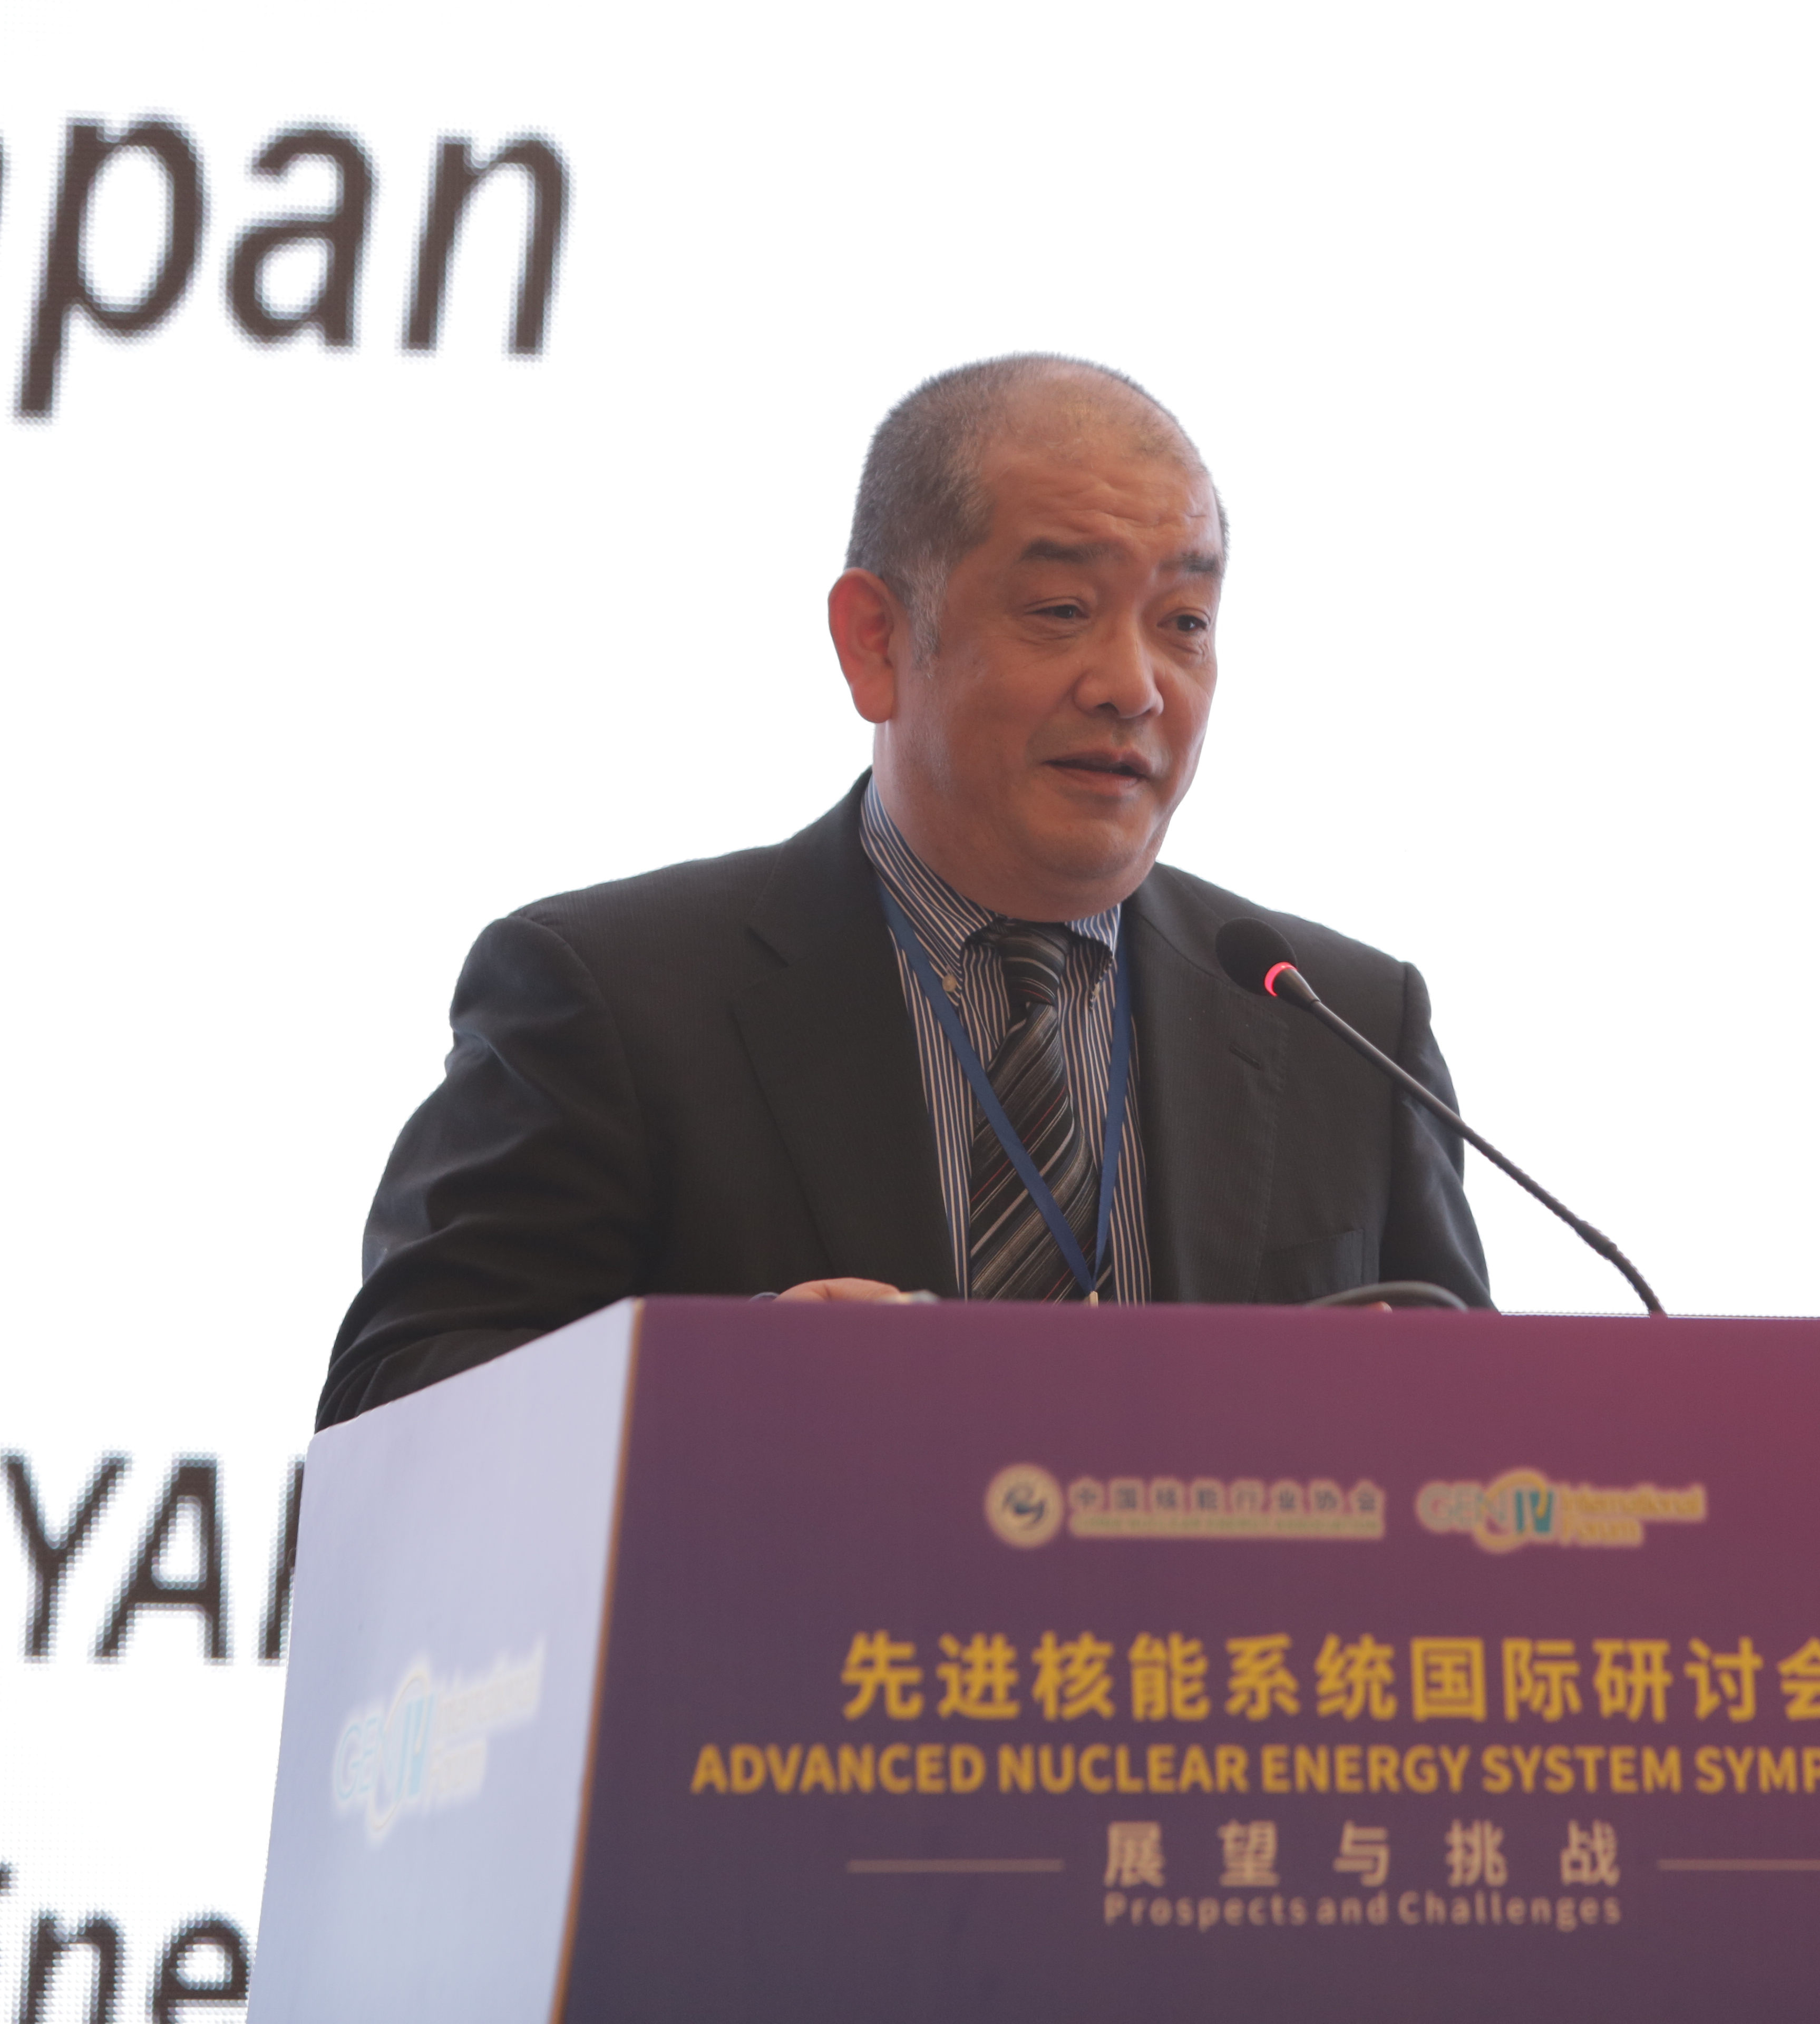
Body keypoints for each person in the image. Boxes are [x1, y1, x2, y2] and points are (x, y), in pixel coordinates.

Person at [318, 355, 1489, 1427]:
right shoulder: (616, 1000)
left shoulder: (1342, 1026)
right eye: (1062, 612)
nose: (1134, 686)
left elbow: (1485, 1450)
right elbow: (393, 1403)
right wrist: (725, 1382)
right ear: (874, 640)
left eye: (1184, 623)